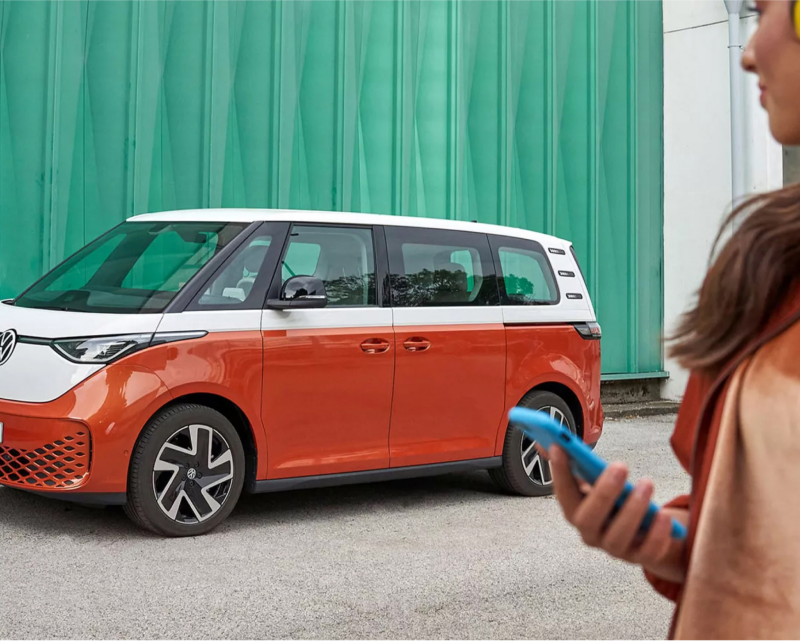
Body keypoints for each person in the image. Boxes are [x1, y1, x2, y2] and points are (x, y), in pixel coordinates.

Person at [547, 1, 800, 637]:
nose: (746, 53)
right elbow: (746, 525)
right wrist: (658, 539)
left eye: (764, 11)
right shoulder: (765, 258)